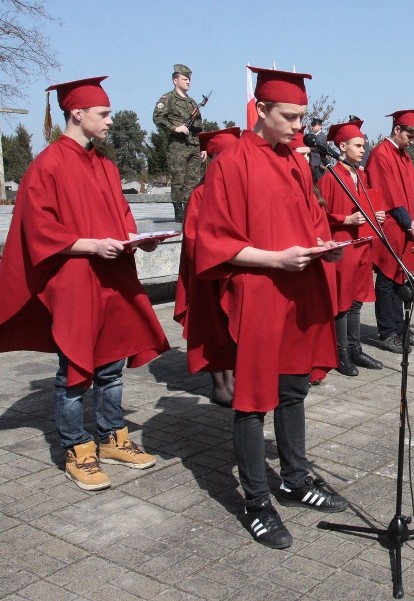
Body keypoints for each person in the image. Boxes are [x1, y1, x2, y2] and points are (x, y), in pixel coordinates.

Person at [194, 66, 349, 549]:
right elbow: (215, 243)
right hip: (258, 293)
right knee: (252, 399)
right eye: (289, 116)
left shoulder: (297, 162)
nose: (298, 126)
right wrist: (274, 258)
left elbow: (308, 220)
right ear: (260, 110)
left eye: (303, 117)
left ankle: (296, 479)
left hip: (297, 290)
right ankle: (256, 500)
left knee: (293, 390)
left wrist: (324, 245)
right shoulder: (230, 162)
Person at [0, 76, 169, 491]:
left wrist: (139, 242)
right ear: (77, 113)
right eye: (104, 113)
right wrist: (91, 244)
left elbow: (122, 220)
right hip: (74, 279)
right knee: (74, 370)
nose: (110, 121)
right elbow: (37, 231)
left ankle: (112, 437)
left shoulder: (107, 166)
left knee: (112, 365)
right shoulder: (48, 166)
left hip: (111, 277)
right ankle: (77, 448)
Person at [174, 127, 241, 407]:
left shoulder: (239, 190)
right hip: (209, 275)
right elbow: (192, 238)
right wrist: (223, 255)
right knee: (213, 330)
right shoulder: (201, 194)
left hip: (234, 271)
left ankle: (235, 381)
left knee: (233, 328)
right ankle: (219, 386)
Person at [319, 119, 386, 375]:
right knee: (342, 302)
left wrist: (376, 216)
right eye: (358, 145)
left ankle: (355, 348)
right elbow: (319, 214)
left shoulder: (362, 174)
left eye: (364, 145)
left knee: (356, 301)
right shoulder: (330, 177)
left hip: (363, 244)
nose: (362, 150)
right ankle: (341, 353)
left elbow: (367, 203)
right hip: (343, 245)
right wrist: (345, 219)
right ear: (342, 146)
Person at [365, 109, 414, 353]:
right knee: (387, 279)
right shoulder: (380, 154)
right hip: (391, 226)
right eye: (409, 135)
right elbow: (391, 196)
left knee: (403, 278)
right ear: (397, 129)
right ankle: (387, 332)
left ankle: (402, 328)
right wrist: (409, 225)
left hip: (408, 226)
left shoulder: (405, 156)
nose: (412, 141)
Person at [153, 64, 205, 223]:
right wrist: (175, 128)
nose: (188, 81)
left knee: (193, 180)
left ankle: (190, 208)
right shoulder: (167, 98)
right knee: (178, 179)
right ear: (175, 80)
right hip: (178, 146)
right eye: (185, 79)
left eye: (189, 79)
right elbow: (158, 118)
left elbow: (200, 125)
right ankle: (179, 211)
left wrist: (204, 146)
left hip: (195, 145)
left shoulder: (192, 102)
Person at [308, 117, 326, 183]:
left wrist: (322, 163)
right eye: (312, 125)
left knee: (319, 182)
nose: (313, 127)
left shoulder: (323, 137)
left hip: (319, 163)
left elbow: (323, 151)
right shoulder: (311, 136)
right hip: (312, 162)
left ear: (320, 126)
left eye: (314, 125)